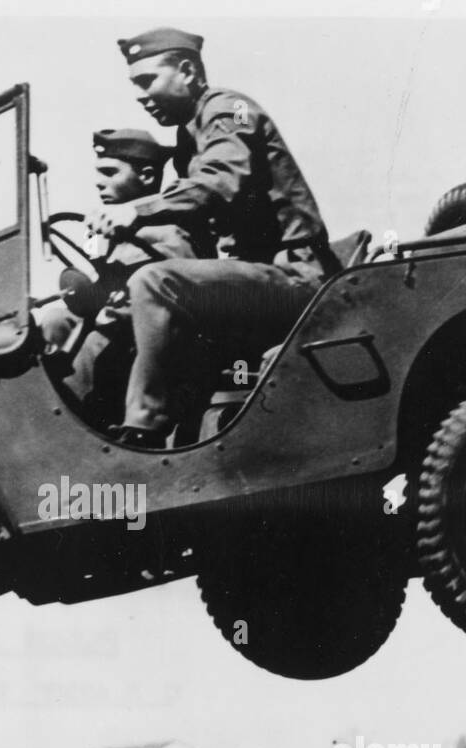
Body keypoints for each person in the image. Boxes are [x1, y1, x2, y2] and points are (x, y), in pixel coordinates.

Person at [89, 27, 343, 449]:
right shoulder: (190, 140)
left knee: (157, 283)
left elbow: (222, 178)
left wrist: (136, 211)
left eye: (146, 80)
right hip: (253, 284)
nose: (139, 94)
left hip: (296, 281)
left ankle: (143, 431)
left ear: (187, 71)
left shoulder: (231, 111)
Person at [37, 128, 206, 426]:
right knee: (53, 319)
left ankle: (68, 421)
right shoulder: (118, 236)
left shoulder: (172, 232)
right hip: (116, 333)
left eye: (109, 172)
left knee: (98, 340)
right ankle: (46, 403)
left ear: (148, 176)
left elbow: (179, 299)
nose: (98, 182)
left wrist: (108, 312)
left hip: (150, 350)